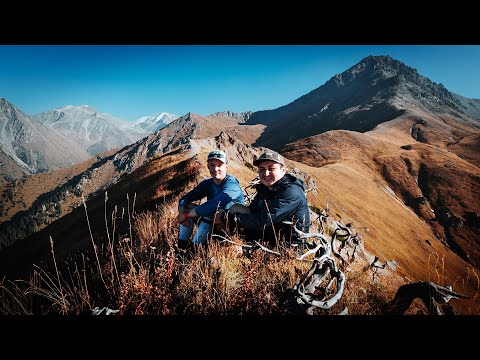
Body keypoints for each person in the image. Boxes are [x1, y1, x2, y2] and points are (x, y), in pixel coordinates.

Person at [215, 150, 310, 248]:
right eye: (262, 169)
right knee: (234, 209)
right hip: (265, 237)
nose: (266, 173)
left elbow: (263, 220)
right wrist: (226, 215)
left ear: (283, 170)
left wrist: (226, 218)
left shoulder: (291, 192)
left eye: (271, 169)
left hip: (284, 248)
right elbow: (252, 211)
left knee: (229, 232)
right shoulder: (266, 188)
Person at [177, 149, 245, 250]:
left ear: (226, 167)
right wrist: (182, 212)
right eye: (212, 165)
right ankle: (181, 246)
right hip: (214, 223)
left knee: (212, 212)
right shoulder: (208, 183)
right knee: (188, 207)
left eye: (220, 165)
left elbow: (215, 204)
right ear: (208, 166)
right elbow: (186, 198)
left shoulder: (232, 184)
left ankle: (193, 249)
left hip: (231, 227)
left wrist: (186, 215)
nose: (215, 169)